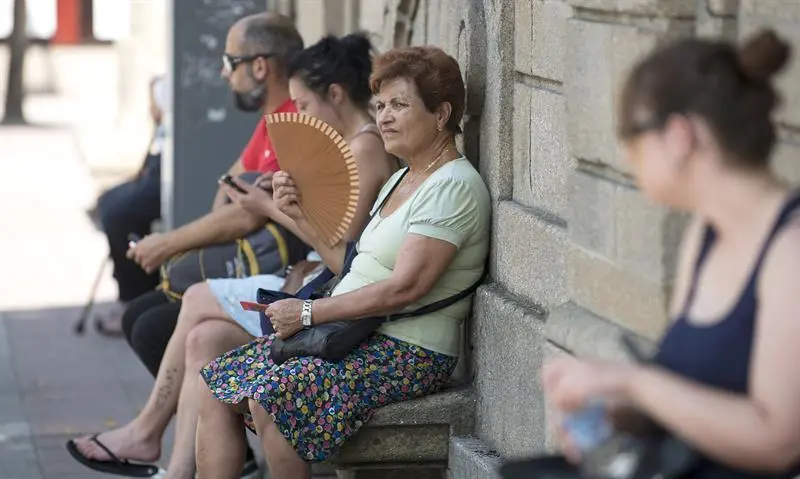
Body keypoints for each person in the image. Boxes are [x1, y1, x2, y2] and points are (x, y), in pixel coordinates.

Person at [68, 33, 398, 479]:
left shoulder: (364, 147)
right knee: (202, 339)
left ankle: (147, 432)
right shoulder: (348, 143)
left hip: (334, 303)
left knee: (200, 297)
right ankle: (178, 468)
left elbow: (346, 256)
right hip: (315, 285)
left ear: (335, 94)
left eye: (303, 105)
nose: (299, 115)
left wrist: (273, 210)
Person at [195, 45, 491, 479]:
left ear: (441, 113)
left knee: (271, 396)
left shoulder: (453, 187)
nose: (384, 116)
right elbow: (351, 266)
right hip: (356, 336)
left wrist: (308, 312)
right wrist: (298, 216)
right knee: (217, 381)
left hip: (407, 352)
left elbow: (405, 288)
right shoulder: (401, 178)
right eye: (381, 105)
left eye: (399, 105)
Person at [542, 30, 800, 478]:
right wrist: (616, 412)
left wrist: (634, 383)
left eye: (633, 137)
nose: (628, 156)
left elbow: (778, 441)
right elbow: (692, 394)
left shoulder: (790, 251)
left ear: (679, 136)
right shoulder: (705, 234)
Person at [91, 75, 167, 335]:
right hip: (152, 178)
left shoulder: (169, 123)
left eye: (153, 102)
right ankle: (124, 280)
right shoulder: (160, 125)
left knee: (118, 214)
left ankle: (133, 295)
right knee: (107, 200)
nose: (150, 109)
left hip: (163, 183)